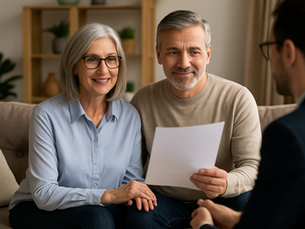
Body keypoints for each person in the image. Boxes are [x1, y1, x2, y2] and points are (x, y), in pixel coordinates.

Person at [8, 23, 157, 229]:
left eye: (111, 59)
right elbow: (43, 194)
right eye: (92, 59)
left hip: (101, 206)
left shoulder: (129, 115)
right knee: (98, 220)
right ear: (74, 66)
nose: (103, 70)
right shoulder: (46, 114)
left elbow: (131, 183)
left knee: (140, 217)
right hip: (36, 207)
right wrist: (107, 196)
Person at [129, 10, 261, 229]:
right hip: (164, 202)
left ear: (208, 54)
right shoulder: (143, 99)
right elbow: (132, 166)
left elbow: (252, 167)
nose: (184, 63)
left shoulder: (238, 97)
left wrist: (227, 183)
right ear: (159, 54)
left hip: (220, 199)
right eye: (173, 52)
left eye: (194, 52)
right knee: (139, 214)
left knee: (245, 200)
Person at [190, 0, 305, 228]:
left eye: (271, 46)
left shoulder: (288, 135)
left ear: (288, 52)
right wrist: (237, 219)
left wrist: (203, 226)